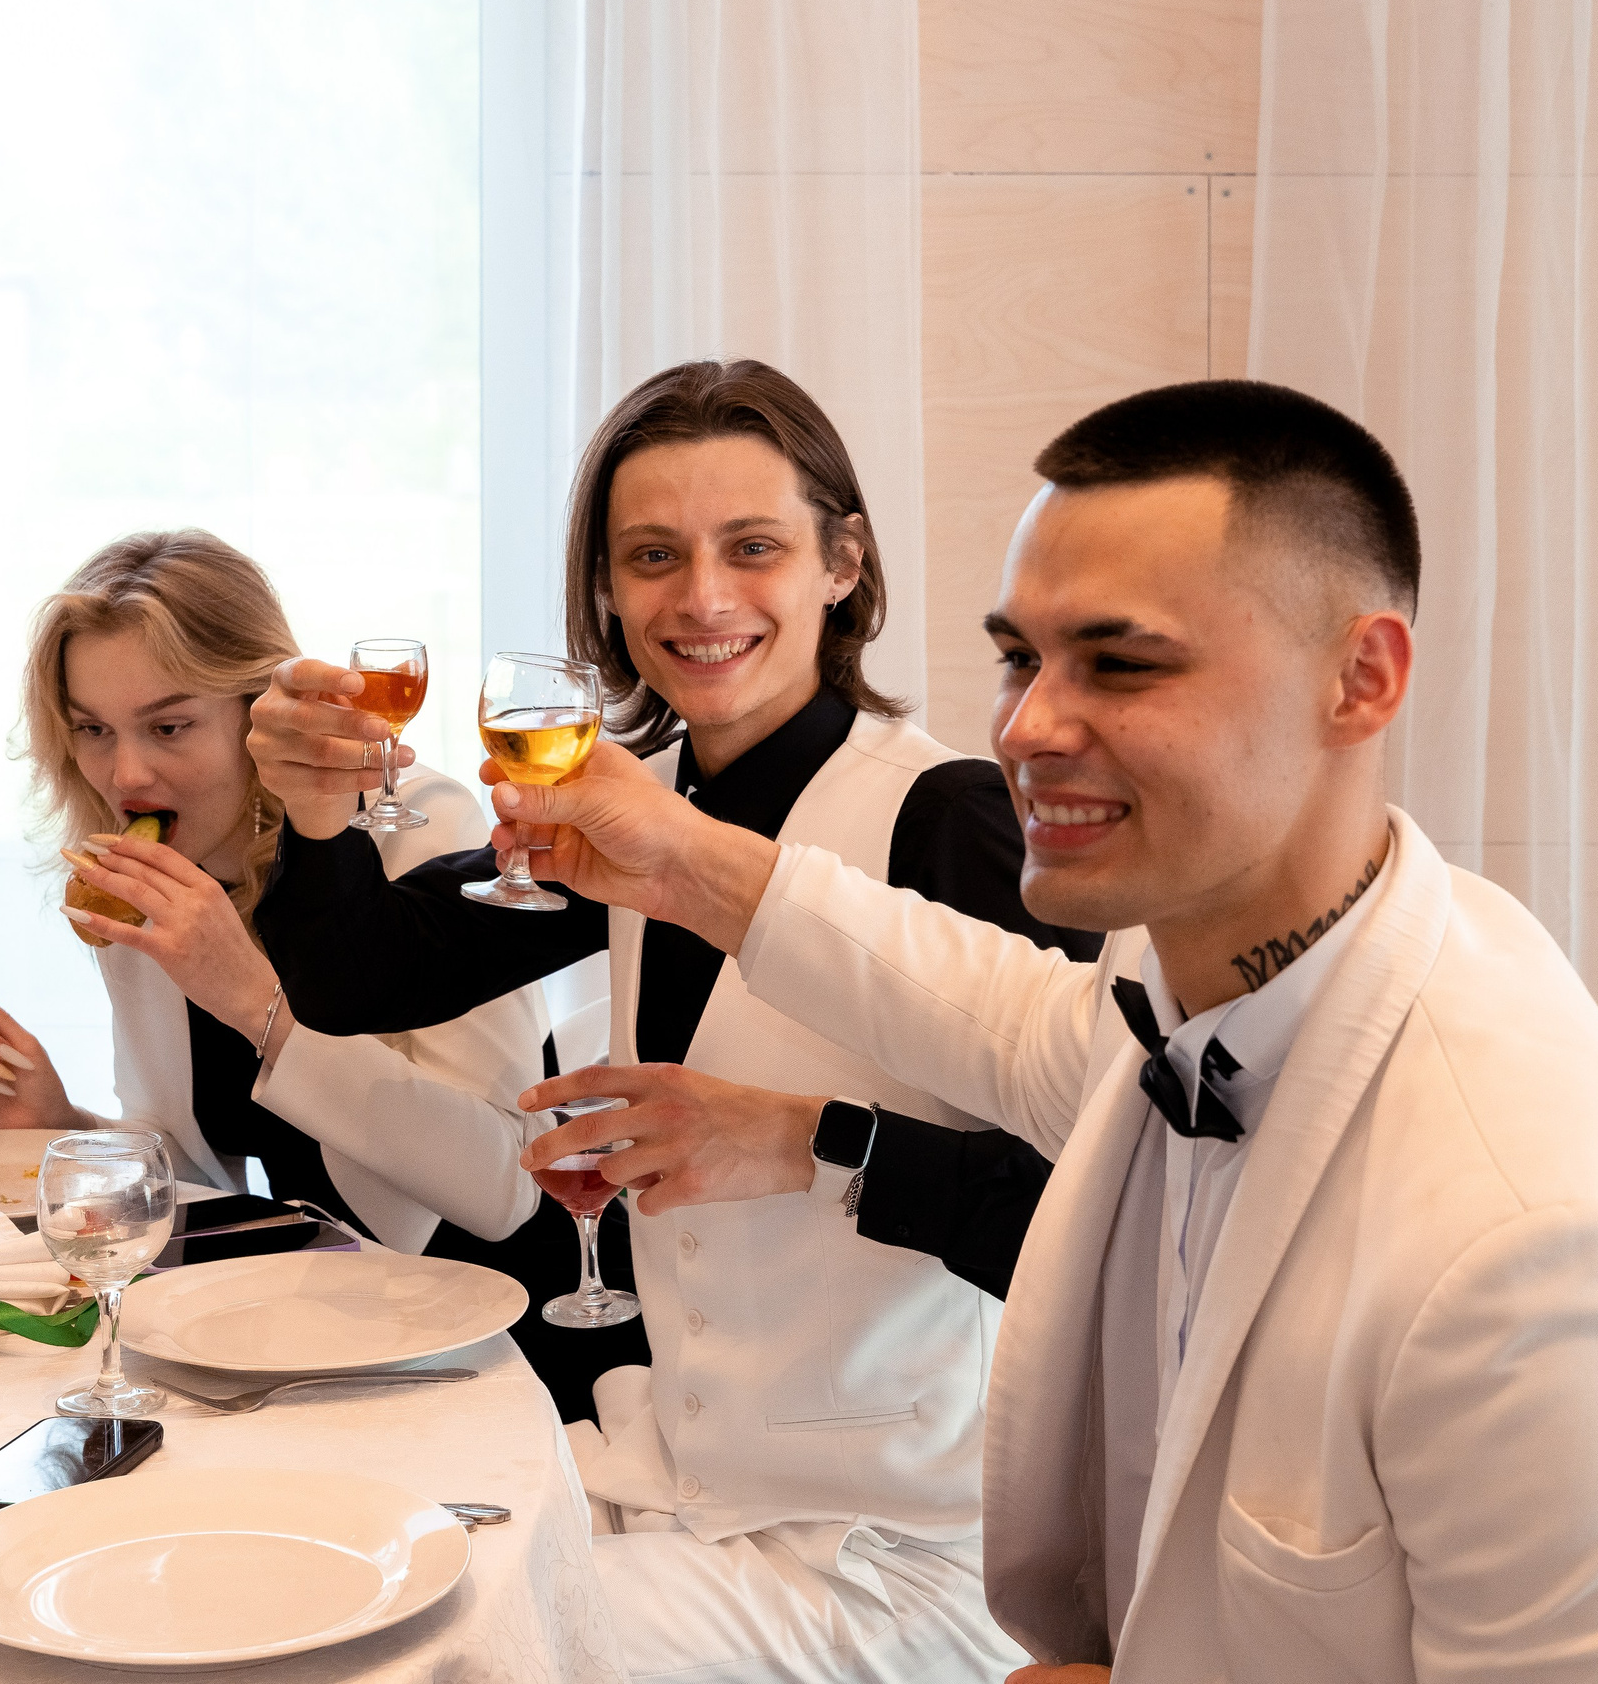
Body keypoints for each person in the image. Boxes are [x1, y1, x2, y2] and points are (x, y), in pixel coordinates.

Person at [503, 380, 1598, 1682]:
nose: (1026, 729)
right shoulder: (1196, 984)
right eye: (1022, 656)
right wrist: (680, 863)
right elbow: (996, 1010)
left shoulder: (1539, 1255)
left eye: (1122, 663)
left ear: (1361, 679)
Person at [248, 359, 1098, 1684]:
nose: (699, 597)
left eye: (751, 546)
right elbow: (365, 976)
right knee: (322, 1547)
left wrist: (813, 1137)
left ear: (842, 563)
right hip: (685, 1480)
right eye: (653, 554)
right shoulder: (631, 802)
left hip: (889, 1552)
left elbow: (1091, 1210)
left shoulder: (944, 815)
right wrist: (313, 812)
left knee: (430, 1657)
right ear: (606, 590)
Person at [0, 529, 549, 1266]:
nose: (125, 773)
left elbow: (503, 1192)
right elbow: (190, 1171)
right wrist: (58, 1121)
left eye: (169, 726)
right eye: (93, 729)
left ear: (258, 712)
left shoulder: (415, 827)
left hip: (488, 1302)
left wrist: (253, 1003)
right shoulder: (142, 877)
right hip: (310, 1300)